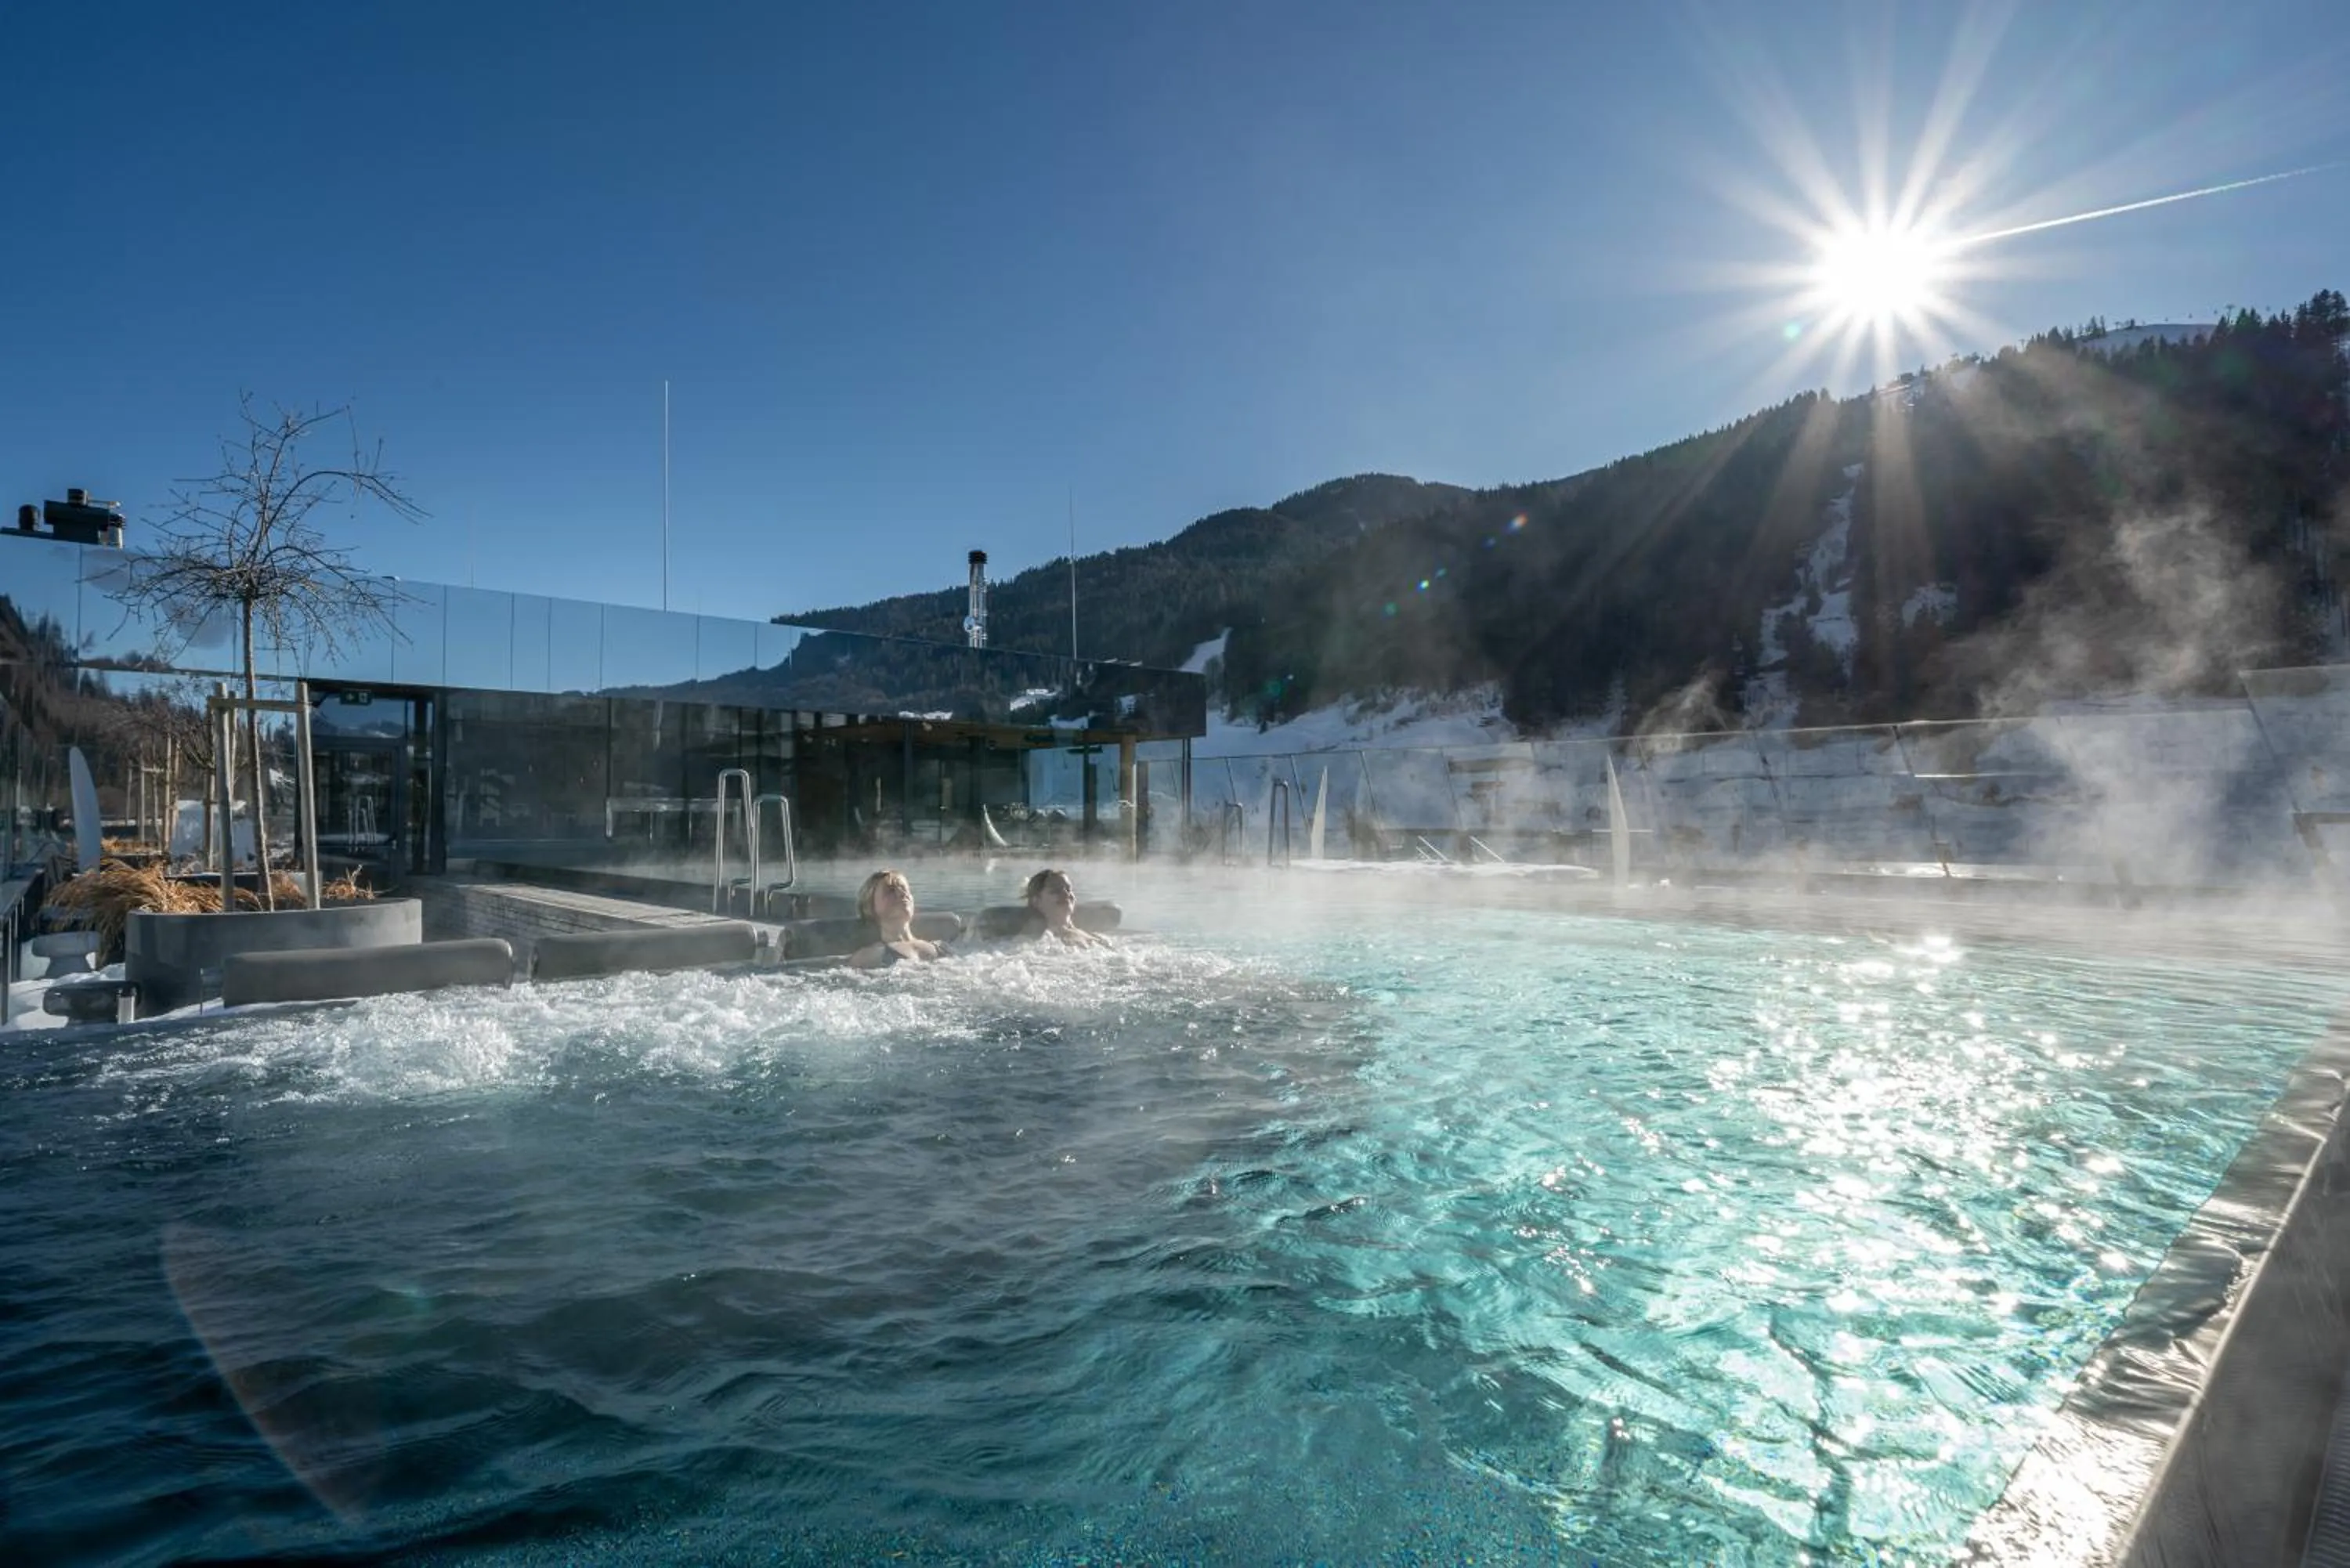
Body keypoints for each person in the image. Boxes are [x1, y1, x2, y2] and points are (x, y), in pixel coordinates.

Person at [850, 869, 949, 968]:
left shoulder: (940, 947)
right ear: (870, 906)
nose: (902, 894)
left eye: (905, 889)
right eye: (891, 890)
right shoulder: (869, 955)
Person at [1021, 867, 1112, 949]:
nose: (1066, 894)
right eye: (1056, 891)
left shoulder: (1096, 936)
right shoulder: (1042, 940)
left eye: (1069, 889)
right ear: (1037, 901)